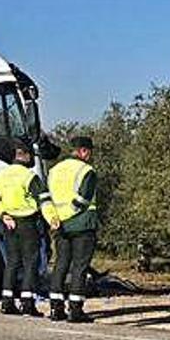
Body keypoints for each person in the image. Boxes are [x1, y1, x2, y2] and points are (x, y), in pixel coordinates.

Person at [0, 142, 60, 317]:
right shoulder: (29, 176)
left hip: (8, 222)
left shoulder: (0, 176)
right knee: (31, 262)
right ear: (26, 156)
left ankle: (7, 302)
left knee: (12, 262)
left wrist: (3, 215)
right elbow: (44, 200)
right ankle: (27, 304)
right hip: (28, 223)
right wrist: (52, 218)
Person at [47, 136, 100, 323]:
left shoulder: (54, 170)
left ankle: (55, 308)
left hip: (59, 226)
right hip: (81, 224)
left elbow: (48, 198)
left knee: (61, 264)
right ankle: (75, 310)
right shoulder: (87, 170)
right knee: (79, 267)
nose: (90, 156)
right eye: (89, 152)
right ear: (84, 151)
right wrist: (68, 217)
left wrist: (56, 218)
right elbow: (83, 201)